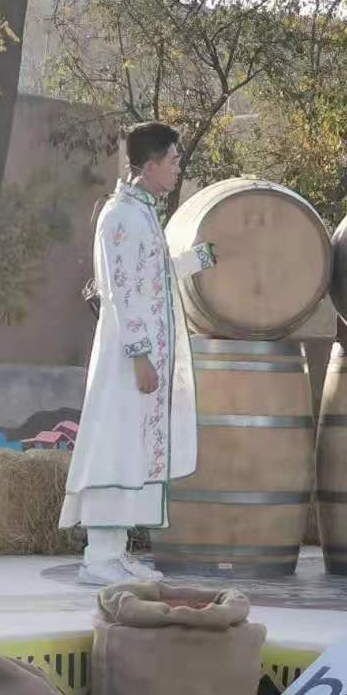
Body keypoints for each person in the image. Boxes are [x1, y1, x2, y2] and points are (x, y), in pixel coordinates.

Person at [60, 122, 216, 586]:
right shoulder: (121, 217)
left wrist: (201, 259)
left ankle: (115, 552)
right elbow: (120, 291)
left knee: (133, 448)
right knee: (116, 444)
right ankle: (99, 559)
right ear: (149, 166)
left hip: (143, 359)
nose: (177, 168)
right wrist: (140, 355)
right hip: (128, 361)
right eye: (172, 161)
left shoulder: (142, 213)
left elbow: (154, 275)